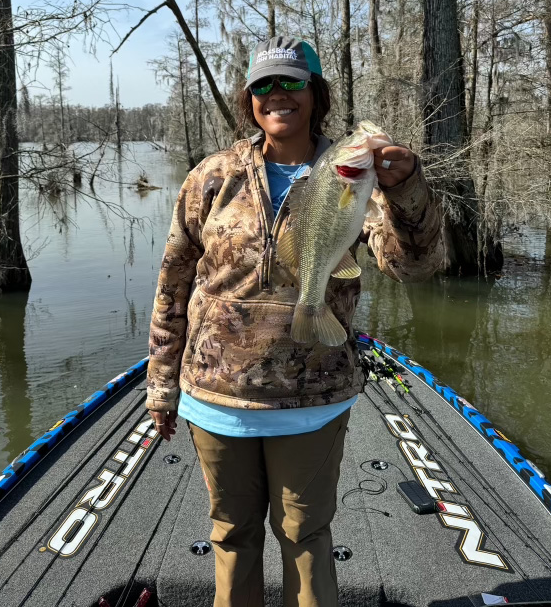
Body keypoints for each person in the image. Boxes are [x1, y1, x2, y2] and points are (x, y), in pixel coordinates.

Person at [147, 36, 443, 607]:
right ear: (249, 99)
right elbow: (174, 281)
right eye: (263, 86)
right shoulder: (212, 175)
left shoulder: (355, 177)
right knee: (231, 537)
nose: (277, 95)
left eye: (291, 83)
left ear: (316, 94)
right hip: (216, 396)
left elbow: (415, 266)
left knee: (306, 538)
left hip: (314, 396)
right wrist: (162, 386)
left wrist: (405, 187)